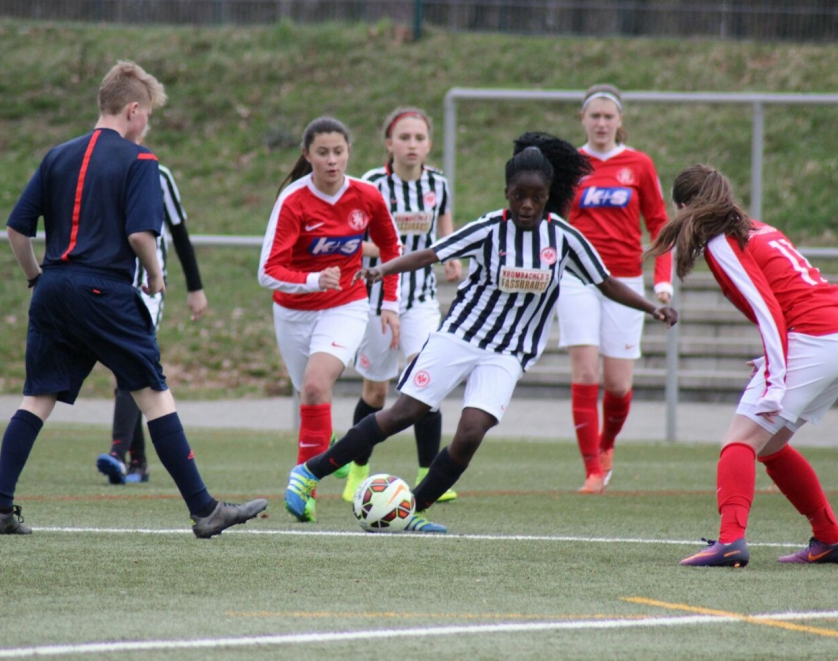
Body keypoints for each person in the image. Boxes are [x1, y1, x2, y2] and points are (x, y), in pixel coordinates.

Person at [285, 132, 678, 533]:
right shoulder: (489, 228)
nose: (527, 205)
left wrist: (652, 307)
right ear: (507, 193)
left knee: (472, 432)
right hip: (460, 336)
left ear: (548, 196)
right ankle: (309, 472)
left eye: (537, 197)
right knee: (405, 413)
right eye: (519, 196)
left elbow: (605, 282)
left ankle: (412, 509)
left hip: (509, 353)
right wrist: (383, 269)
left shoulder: (564, 238)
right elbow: (432, 253)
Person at [0, 61, 266, 537]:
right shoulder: (141, 161)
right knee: (154, 395)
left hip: (53, 289)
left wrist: (36, 279)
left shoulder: (57, 156)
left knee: (37, 398)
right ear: (133, 110)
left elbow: (16, 230)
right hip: (104, 292)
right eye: (148, 113)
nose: (147, 122)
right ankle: (205, 510)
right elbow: (139, 235)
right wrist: (156, 277)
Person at [645, 164, 838, 567]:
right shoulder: (757, 229)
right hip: (826, 333)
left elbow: (768, 309)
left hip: (815, 337)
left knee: (740, 441)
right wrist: (773, 358)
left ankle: (730, 541)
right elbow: (790, 297)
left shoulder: (721, 242)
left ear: (684, 207)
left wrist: (776, 378)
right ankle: (829, 537)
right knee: (770, 446)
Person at [258, 116, 403, 523]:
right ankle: (327, 444)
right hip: (293, 312)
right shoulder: (293, 201)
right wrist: (312, 280)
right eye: (322, 152)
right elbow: (267, 271)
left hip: (346, 305)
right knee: (310, 396)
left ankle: (305, 489)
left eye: (339, 151)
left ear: (349, 152)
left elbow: (392, 248)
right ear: (308, 155)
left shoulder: (366, 196)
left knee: (315, 386)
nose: (332, 160)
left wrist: (390, 303)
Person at [342, 107, 463, 503]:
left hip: (421, 298)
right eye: (404, 137)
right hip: (377, 298)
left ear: (429, 144)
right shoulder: (371, 184)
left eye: (419, 138)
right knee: (376, 392)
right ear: (389, 143)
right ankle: (357, 470)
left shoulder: (437, 184)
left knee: (425, 379)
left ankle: (430, 475)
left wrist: (450, 257)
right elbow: (351, 239)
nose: (412, 145)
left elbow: (443, 229)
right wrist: (391, 252)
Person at [559, 84, 673, 494]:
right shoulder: (570, 164)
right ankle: (592, 470)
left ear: (619, 120)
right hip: (577, 278)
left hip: (625, 279)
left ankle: (606, 444)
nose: (602, 123)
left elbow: (659, 223)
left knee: (618, 385)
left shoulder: (638, 164)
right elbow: (553, 223)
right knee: (586, 371)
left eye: (609, 116)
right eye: (595, 116)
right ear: (583, 119)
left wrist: (662, 278)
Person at [96, 129, 208, 485]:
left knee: (131, 361)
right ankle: (138, 462)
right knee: (126, 367)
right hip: (110, 283)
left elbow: (180, 234)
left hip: (148, 287)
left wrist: (195, 288)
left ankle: (118, 453)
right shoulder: (101, 171)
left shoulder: (158, 175)